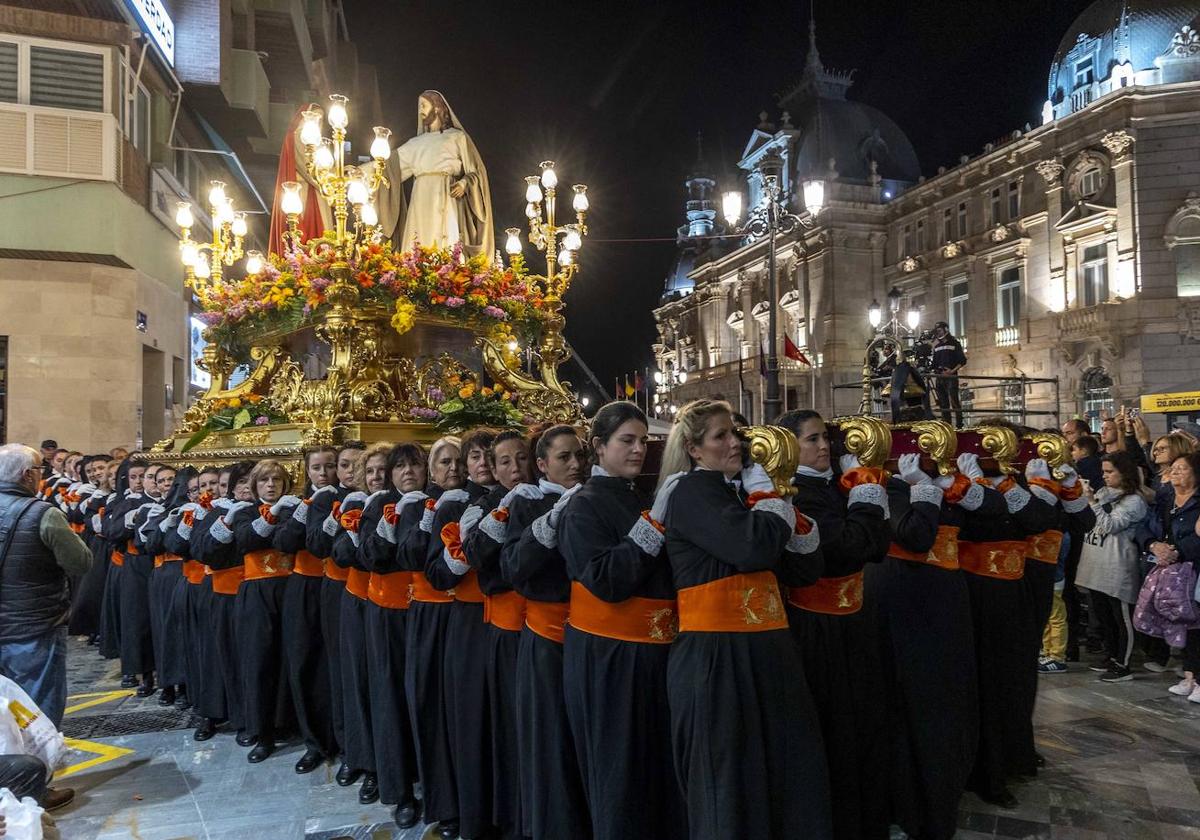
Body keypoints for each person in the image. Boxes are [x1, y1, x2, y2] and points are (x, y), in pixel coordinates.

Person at [660, 400, 831, 839]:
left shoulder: (738, 493)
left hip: (765, 652)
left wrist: (774, 504)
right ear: (695, 449)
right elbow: (752, 547)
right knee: (728, 780)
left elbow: (802, 569)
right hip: (717, 657)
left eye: (736, 433)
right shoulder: (692, 491)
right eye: (721, 436)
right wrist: (770, 501)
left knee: (780, 771)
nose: (735, 442)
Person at [557, 402, 686, 840]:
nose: (638, 451)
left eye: (643, 441)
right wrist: (655, 521)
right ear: (598, 446)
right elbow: (606, 580)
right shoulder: (583, 506)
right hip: (610, 662)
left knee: (658, 768)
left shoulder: (636, 495)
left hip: (653, 655)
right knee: (622, 772)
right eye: (626, 441)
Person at [775, 410, 890, 840]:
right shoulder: (799, 493)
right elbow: (849, 546)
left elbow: (876, 546)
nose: (824, 446)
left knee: (864, 725)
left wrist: (860, 499)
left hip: (855, 620)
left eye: (825, 438)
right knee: (834, 729)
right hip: (817, 628)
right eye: (811, 440)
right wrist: (863, 497)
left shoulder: (834, 487)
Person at [871, 451, 981, 840]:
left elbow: (994, 518)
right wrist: (919, 486)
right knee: (912, 709)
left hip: (944, 605)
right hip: (909, 605)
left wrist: (956, 485)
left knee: (943, 707)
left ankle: (939, 796)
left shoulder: (944, 486)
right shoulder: (890, 488)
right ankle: (914, 803)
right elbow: (915, 536)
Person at [500, 425, 591, 840]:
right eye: (564, 458)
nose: (575, 465)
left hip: (591, 636)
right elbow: (516, 568)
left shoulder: (592, 497)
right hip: (547, 637)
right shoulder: (527, 503)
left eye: (580, 456)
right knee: (551, 739)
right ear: (542, 465)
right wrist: (554, 520)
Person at [425, 428, 497, 840]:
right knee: (470, 722)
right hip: (470, 622)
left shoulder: (520, 496)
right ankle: (472, 816)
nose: (482, 463)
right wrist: (463, 552)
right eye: (474, 456)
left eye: (490, 454)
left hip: (516, 627)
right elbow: (435, 573)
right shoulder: (453, 505)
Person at [0, 444, 91, 727]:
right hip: (34, 626)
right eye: (42, 469)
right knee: (37, 711)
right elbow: (80, 563)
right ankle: (38, 767)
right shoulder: (43, 514)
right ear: (28, 475)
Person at [360, 443, 426, 829]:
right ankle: (400, 789)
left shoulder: (438, 501)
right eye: (399, 467)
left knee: (425, 699)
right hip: (387, 615)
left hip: (427, 614)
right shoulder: (379, 505)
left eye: (414, 465)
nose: (407, 473)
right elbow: (370, 555)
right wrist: (391, 519)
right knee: (389, 698)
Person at [399, 435, 462, 840]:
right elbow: (410, 554)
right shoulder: (418, 507)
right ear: (430, 470)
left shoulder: (479, 499)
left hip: (467, 619)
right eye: (443, 462)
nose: (452, 468)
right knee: (430, 708)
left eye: (459, 460)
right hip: (430, 615)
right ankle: (443, 801)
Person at [330, 443, 391, 802]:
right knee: (356, 682)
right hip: (357, 602)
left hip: (390, 606)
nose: (377, 477)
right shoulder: (355, 505)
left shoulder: (405, 504)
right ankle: (362, 760)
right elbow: (340, 553)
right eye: (370, 472)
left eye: (382, 470)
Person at [272, 447, 339, 774]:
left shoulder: (347, 499)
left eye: (330, 466)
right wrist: (304, 512)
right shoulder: (297, 503)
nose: (324, 473)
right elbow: (284, 541)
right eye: (316, 467)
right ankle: (313, 741)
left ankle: (339, 738)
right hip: (304, 588)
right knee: (303, 663)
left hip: (338, 589)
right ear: (306, 471)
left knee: (335, 666)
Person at [1077, 452, 1150, 682]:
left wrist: (1091, 502)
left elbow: (1110, 525)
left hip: (1117, 566)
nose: (1105, 476)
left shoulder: (1134, 500)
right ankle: (1110, 654)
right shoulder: (1104, 493)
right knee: (1103, 616)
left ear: (1124, 473)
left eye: (1110, 472)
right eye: (1104, 472)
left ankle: (1123, 663)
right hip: (1096, 563)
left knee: (1121, 618)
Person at [1139, 453, 1200, 702]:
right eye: (1173, 468)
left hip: (1194, 568)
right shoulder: (1166, 499)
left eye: (1182, 469)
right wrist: (1154, 546)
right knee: (1183, 622)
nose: (1174, 472)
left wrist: (1179, 550)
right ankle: (1189, 676)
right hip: (1174, 572)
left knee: (1197, 624)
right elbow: (1145, 527)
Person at [930, 321, 966, 428]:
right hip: (940, 377)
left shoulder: (955, 344)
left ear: (946, 329)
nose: (938, 333)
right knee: (943, 403)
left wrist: (952, 371)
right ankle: (947, 425)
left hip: (951, 376)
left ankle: (959, 425)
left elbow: (962, 361)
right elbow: (934, 364)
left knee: (954, 401)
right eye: (937, 331)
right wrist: (935, 371)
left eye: (940, 330)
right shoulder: (936, 347)